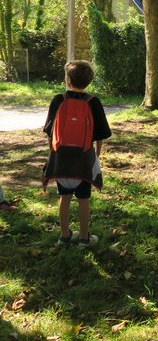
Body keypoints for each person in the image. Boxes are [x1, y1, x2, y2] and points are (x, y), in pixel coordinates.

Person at [43, 61, 111, 248]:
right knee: (83, 199)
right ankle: (83, 238)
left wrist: (53, 153)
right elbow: (101, 134)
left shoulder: (58, 100)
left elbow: (49, 131)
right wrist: (96, 156)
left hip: (61, 157)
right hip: (83, 158)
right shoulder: (93, 101)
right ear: (89, 81)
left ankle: (64, 236)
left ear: (68, 79)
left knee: (64, 197)